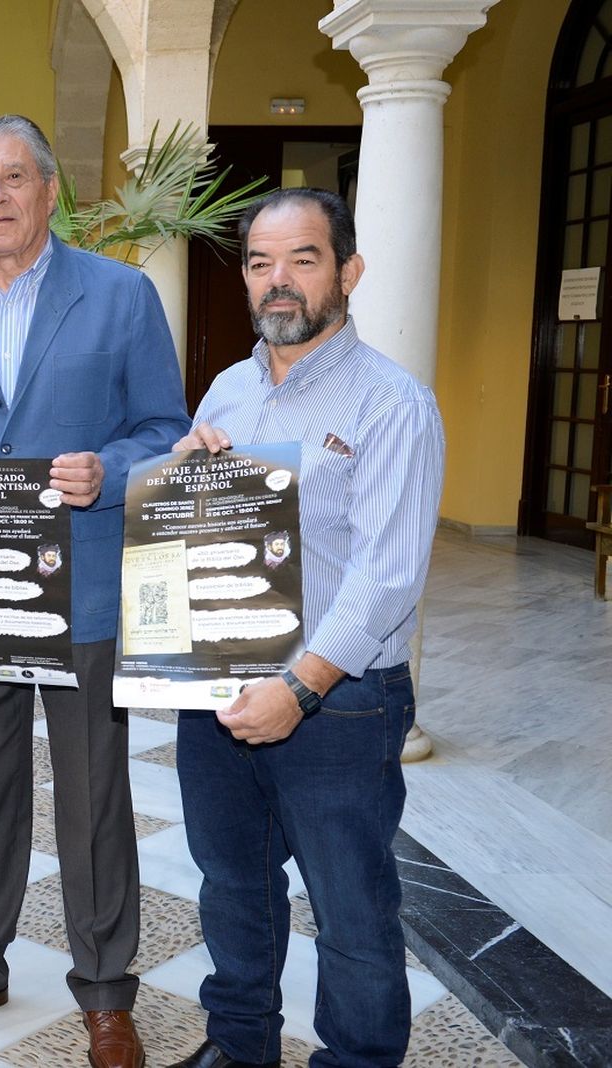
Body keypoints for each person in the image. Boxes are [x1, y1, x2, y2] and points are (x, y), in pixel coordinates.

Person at [0, 115, 189, 1068]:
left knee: (94, 797)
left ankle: (105, 990)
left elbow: (163, 429)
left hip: (83, 586)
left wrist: (112, 468)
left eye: (15, 178)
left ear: (51, 191)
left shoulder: (123, 295)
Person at [163, 187, 444, 1068]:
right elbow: (200, 529)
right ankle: (240, 1046)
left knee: (353, 906)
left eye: (304, 259)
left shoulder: (391, 404)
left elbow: (388, 573)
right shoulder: (228, 390)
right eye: (258, 262)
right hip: (222, 684)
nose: (277, 281)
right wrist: (178, 479)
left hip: (341, 701)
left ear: (349, 272)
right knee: (233, 888)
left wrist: (301, 686)